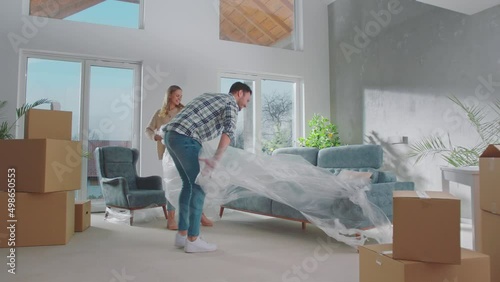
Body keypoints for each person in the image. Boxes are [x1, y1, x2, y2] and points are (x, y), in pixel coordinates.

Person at [163, 82, 252, 253]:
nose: (246, 105)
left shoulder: (211, 95)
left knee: (188, 184)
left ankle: (182, 234)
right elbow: (229, 132)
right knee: (200, 184)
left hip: (171, 135)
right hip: (186, 137)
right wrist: (215, 160)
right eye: (247, 100)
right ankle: (193, 239)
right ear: (239, 93)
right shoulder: (231, 103)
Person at [146, 85, 214, 230]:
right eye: (177, 95)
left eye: (181, 96)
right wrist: (155, 136)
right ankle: (171, 218)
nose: (179, 98)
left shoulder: (184, 111)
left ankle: (199, 214)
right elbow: (148, 129)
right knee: (171, 184)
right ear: (169, 95)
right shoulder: (160, 114)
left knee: (193, 182)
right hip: (168, 153)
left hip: (185, 151)